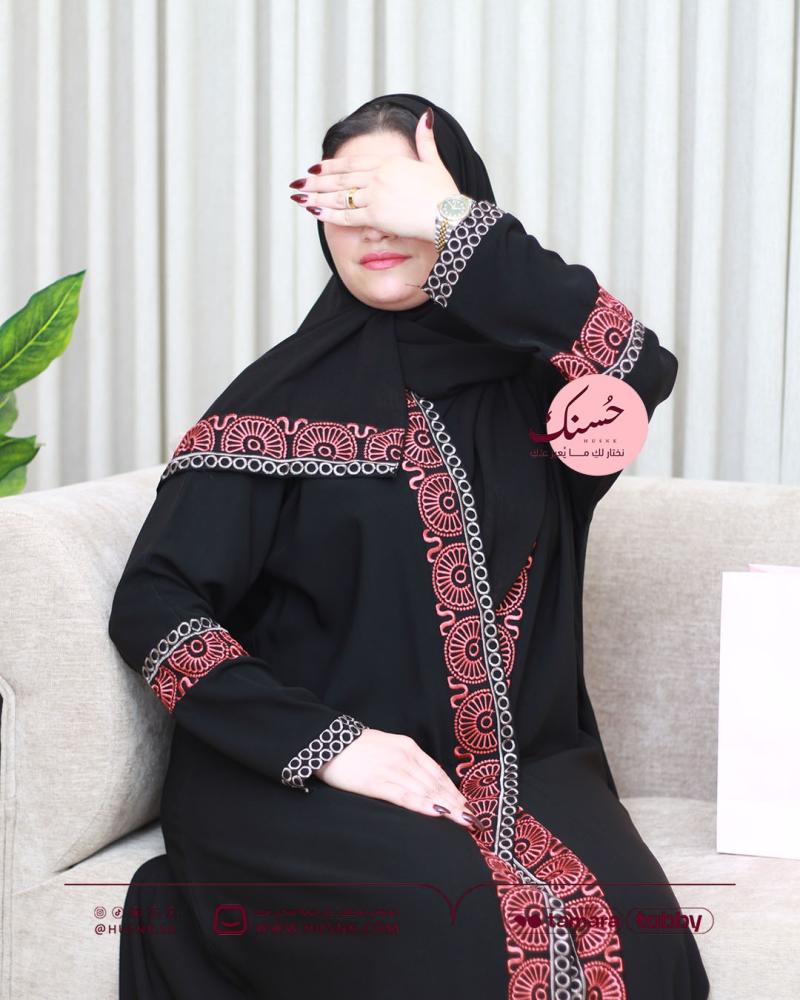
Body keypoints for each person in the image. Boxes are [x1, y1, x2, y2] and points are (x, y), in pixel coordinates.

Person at [109, 92, 710, 1000]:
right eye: (345, 200)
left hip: (528, 772)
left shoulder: (540, 393)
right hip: (306, 782)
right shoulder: (277, 401)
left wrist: (451, 220)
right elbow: (156, 603)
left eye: (397, 197)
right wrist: (328, 745)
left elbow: (641, 365)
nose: (372, 227)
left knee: (644, 948)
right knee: (460, 940)